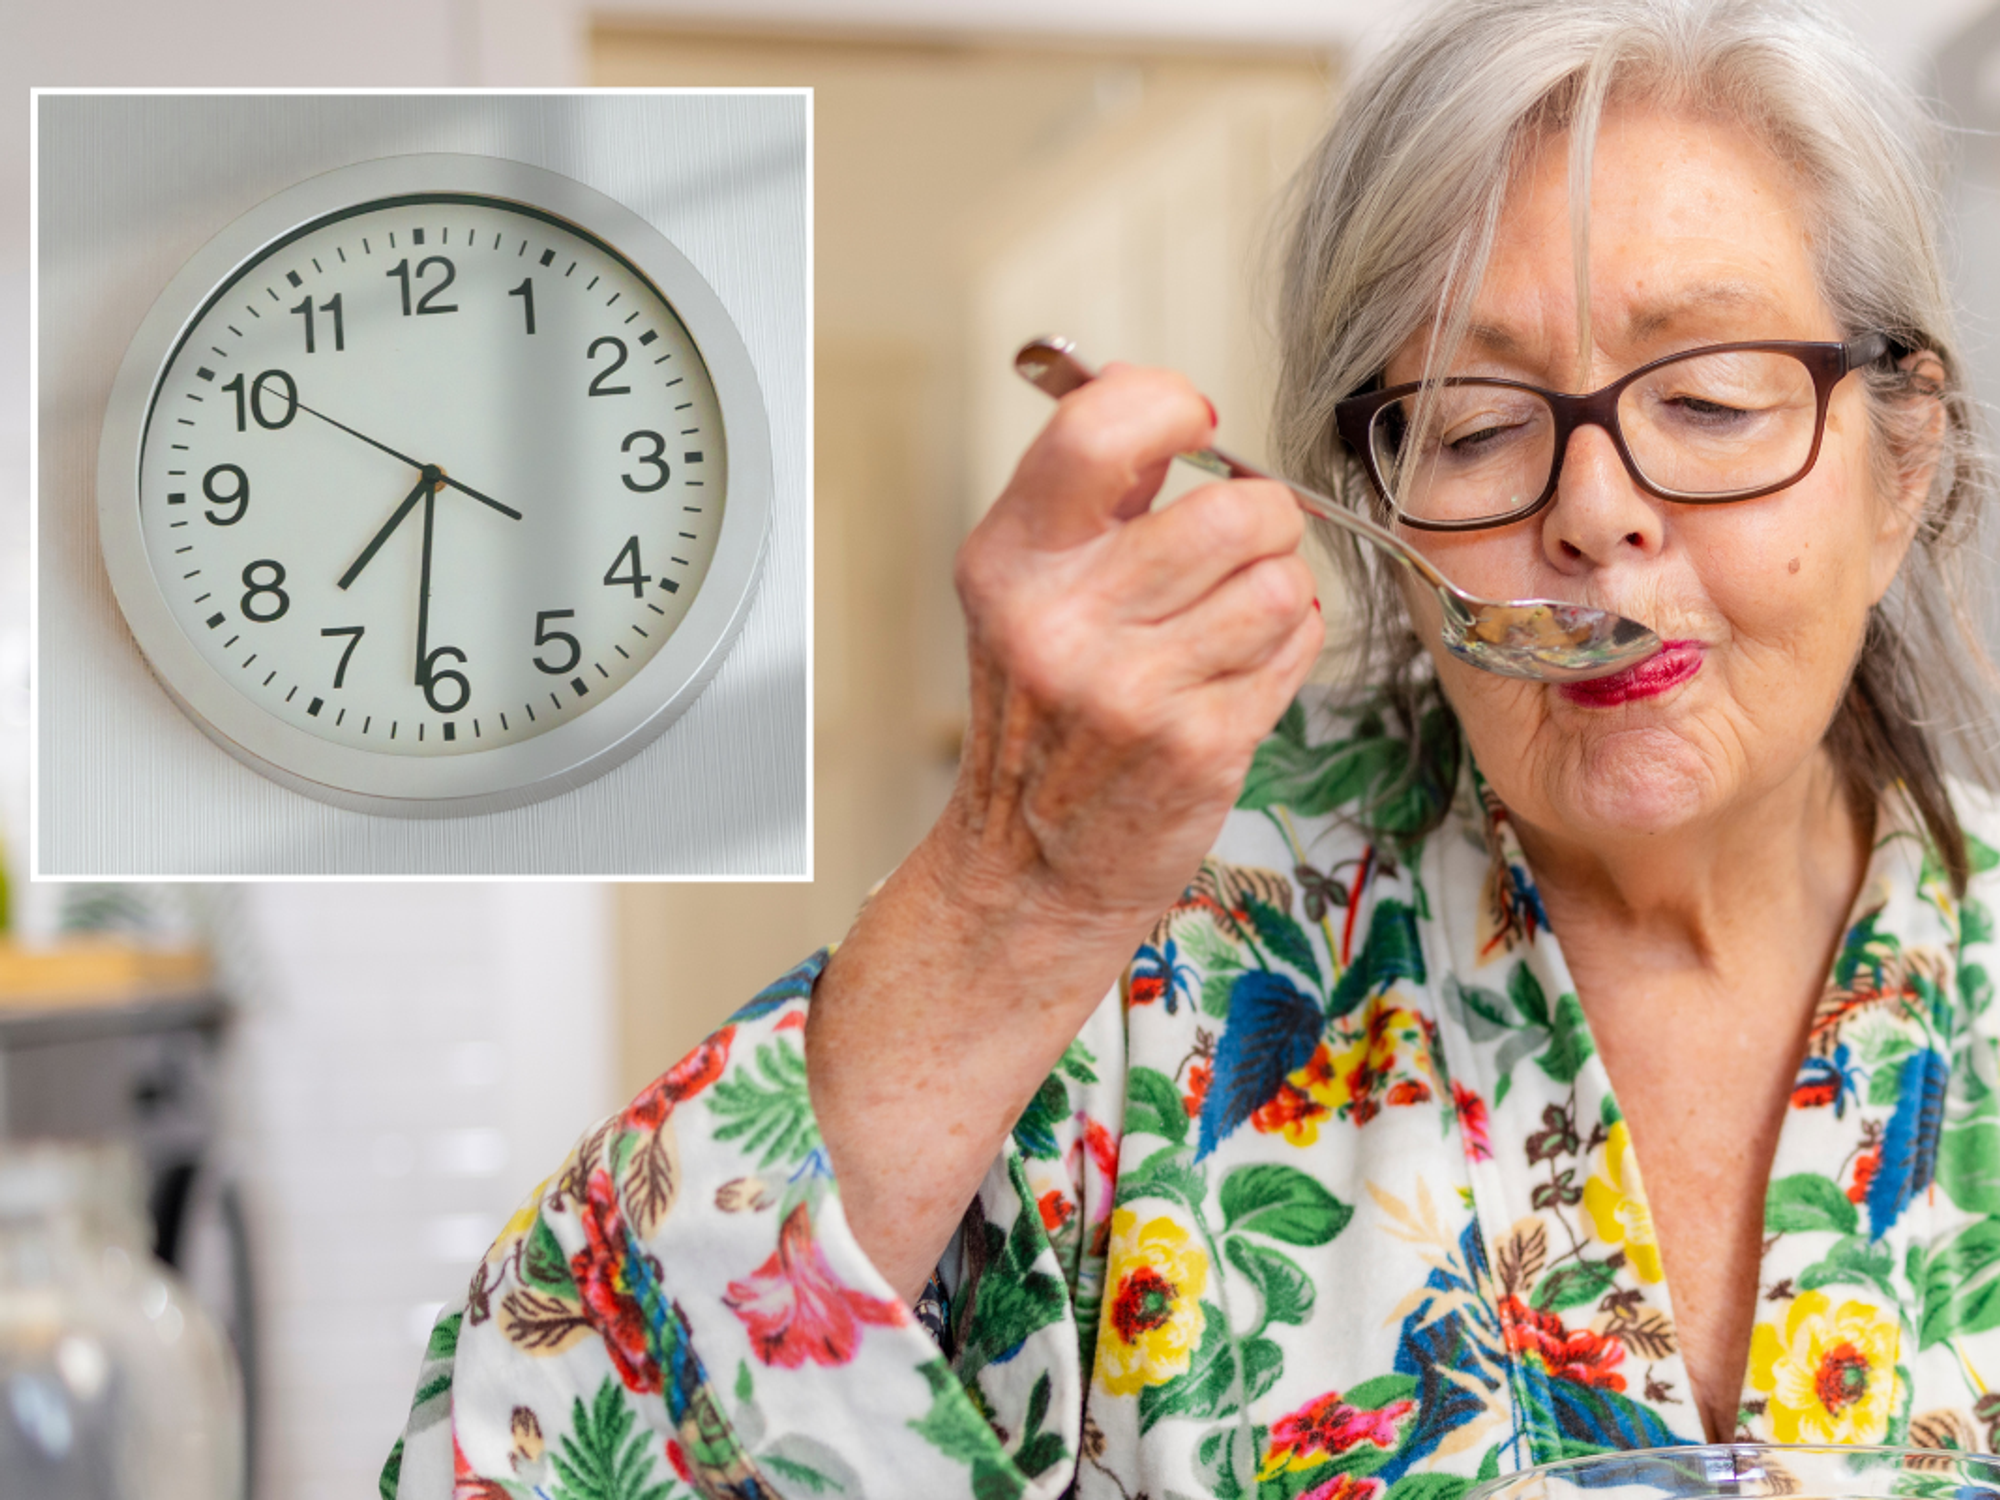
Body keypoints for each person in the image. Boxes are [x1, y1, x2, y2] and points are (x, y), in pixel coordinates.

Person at [383, 1, 2000, 1496]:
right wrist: (1014, 888)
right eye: (1472, 425)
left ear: (1904, 463)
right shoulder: (1153, 970)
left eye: (1712, 401)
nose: (1591, 513)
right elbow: (528, 1453)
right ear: (1371, 507)